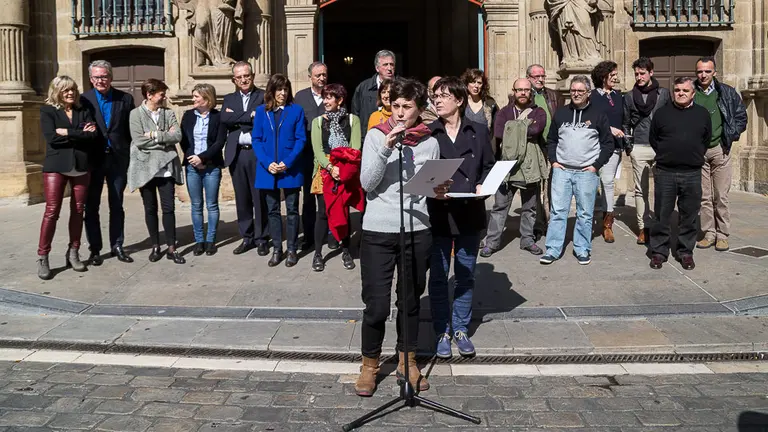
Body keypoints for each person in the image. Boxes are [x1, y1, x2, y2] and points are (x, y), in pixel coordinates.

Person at [355, 77, 447, 397]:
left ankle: (407, 362)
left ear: (420, 109)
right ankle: (370, 365)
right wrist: (387, 146)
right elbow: (368, 183)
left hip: (416, 229)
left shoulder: (429, 141)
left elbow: (428, 189)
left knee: (409, 303)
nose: (400, 112)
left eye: (407, 106)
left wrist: (440, 189)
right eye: (395, 106)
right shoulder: (375, 136)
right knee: (377, 305)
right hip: (379, 230)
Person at [427, 76, 494, 359]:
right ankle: (441, 330)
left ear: (459, 100)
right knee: (440, 276)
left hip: (469, 212)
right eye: (435, 96)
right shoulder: (429, 133)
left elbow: (489, 166)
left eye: (443, 96)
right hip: (438, 214)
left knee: (465, 275)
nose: (437, 101)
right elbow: (420, 174)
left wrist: (484, 185)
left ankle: (461, 329)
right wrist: (432, 187)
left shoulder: (478, 131)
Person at [540, 75, 613, 266]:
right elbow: (552, 140)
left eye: (581, 91)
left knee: (585, 213)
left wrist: (596, 166)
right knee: (558, 212)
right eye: (573, 90)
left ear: (588, 93)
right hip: (562, 171)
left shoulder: (599, 114)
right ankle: (553, 249)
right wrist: (554, 161)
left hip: (586, 173)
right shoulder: (561, 113)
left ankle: (582, 249)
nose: (576, 94)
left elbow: (607, 144)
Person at [37, 76, 98, 280]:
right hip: (56, 166)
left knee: (78, 210)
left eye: (72, 89)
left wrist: (67, 132)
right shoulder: (47, 111)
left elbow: (92, 136)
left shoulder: (83, 109)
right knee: (52, 211)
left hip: (81, 166)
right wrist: (78, 132)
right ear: (56, 92)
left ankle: (73, 252)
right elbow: (51, 138)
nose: (70, 93)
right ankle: (43, 256)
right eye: (65, 90)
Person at [649, 77, 712, 271]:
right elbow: (654, 139)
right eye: (677, 90)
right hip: (666, 172)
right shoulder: (661, 114)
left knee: (689, 215)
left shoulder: (702, 114)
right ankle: (659, 252)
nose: (681, 93)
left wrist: (691, 155)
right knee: (661, 215)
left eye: (685, 90)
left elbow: (705, 140)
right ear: (673, 92)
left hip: (691, 173)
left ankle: (685, 252)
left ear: (693, 93)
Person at [481, 78, 548, 258]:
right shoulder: (503, 112)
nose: (523, 93)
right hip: (506, 165)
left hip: (530, 164)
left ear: (531, 91)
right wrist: (525, 126)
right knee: (500, 206)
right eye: (519, 90)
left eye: (526, 90)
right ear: (514, 91)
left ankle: (527, 240)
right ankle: (492, 242)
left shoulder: (539, 112)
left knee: (530, 207)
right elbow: (499, 132)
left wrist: (513, 128)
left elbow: (537, 130)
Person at [81, 60, 135, 266]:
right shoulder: (83, 100)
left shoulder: (125, 99)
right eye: (96, 77)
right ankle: (95, 249)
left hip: (117, 158)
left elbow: (131, 130)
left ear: (111, 77)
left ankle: (117, 245)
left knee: (117, 204)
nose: (100, 80)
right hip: (93, 159)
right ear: (90, 79)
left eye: (104, 76)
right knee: (91, 206)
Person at [127, 78, 185, 264]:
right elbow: (138, 140)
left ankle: (171, 247)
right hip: (145, 169)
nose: (164, 97)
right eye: (161, 94)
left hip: (166, 170)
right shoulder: (135, 115)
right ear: (149, 95)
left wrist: (153, 134)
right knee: (150, 209)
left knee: (169, 209)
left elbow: (177, 136)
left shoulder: (168, 113)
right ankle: (155, 246)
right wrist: (163, 139)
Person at [694, 56, 748, 252]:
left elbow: (741, 116)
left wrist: (731, 135)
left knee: (721, 196)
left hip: (720, 149)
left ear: (714, 72)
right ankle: (709, 233)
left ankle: (723, 235)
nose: (703, 75)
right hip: (699, 151)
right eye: (700, 71)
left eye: (707, 71)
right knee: (704, 196)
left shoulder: (726, 92)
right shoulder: (691, 91)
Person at [252, 73, 306, 268]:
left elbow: (301, 139)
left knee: (292, 209)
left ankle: (291, 249)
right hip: (268, 169)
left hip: (290, 169)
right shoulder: (261, 112)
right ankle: (277, 248)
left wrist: (288, 162)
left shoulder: (296, 111)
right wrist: (267, 163)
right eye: (279, 89)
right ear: (272, 91)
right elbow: (256, 140)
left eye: (285, 89)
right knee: (272, 210)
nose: (283, 93)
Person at [310, 83, 362, 272]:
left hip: (345, 173)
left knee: (344, 212)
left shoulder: (352, 120)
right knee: (323, 213)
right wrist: (331, 167)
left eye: (330, 97)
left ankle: (346, 250)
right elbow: (318, 150)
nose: (326, 101)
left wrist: (342, 170)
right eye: (324, 97)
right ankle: (317, 254)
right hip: (325, 173)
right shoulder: (317, 122)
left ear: (340, 100)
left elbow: (354, 148)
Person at [221, 61, 269, 256]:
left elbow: (262, 119)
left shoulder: (263, 96)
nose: (243, 79)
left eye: (246, 75)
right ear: (234, 79)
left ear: (253, 75)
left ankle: (262, 238)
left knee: (260, 198)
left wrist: (239, 117)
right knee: (242, 199)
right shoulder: (229, 98)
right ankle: (247, 237)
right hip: (237, 153)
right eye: (239, 77)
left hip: (257, 154)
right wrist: (248, 115)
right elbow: (225, 119)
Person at [622, 57, 670, 245]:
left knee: (663, 190)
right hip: (639, 147)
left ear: (651, 73)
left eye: (642, 73)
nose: (639, 77)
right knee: (641, 190)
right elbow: (625, 123)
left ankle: (660, 225)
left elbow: (670, 118)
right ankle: (644, 228)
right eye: (636, 74)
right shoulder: (628, 96)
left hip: (660, 148)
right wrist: (629, 146)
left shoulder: (663, 94)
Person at [180, 83, 227, 256]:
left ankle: (210, 240)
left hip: (211, 166)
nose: (193, 99)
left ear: (207, 99)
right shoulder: (188, 116)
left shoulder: (218, 117)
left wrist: (203, 158)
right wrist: (193, 158)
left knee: (212, 205)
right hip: (192, 166)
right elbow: (184, 140)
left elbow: (219, 142)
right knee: (196, 205)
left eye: (196, 97)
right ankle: (199, 240)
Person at [527, 64, 565, 237]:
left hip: (552, 145)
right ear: (528, 77)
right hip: (534, 145)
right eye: (536, 76)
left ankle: (551, 222)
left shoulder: (554, 95)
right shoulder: (523, 95)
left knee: (552, 185)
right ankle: (537, 224)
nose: (540, 79)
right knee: (535, 185)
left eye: (542, 75)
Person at [294, 61, 328, 252]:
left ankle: (330, 235)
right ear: (310, 77)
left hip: (327, 155)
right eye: (318, 75)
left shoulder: (333, 95)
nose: (322, 78)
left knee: (328, 198)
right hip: (306, 156)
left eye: (324, 74)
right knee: (308, 198)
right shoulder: (300, 97)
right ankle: (308, 237)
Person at [590, 60, 625, 243]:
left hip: (614, 147)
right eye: (612, 75)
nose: (615, 78)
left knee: (608, 183)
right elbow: (590, 119)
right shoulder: (592, 96)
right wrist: (609, 129)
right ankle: (587, 222)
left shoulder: (618, 96)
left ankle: (607, 225)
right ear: (603, 76)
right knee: (590, 184)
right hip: (595, 146)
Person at [351, 49, 396, 139]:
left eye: (391, 64)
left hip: (397, 138)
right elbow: (355, 115)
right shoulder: (363, 88)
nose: (389, 68)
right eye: (385, 65)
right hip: (368, 138)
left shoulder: (402, 87)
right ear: (377, 68)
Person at [461, 68, 497, 135]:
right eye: (473, 82)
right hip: (465, 143)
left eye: (479, 83)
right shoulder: (461, 102)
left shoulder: (490, 103)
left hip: (484, 143)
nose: (476, 86)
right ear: (466, 84)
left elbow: (496, 127)